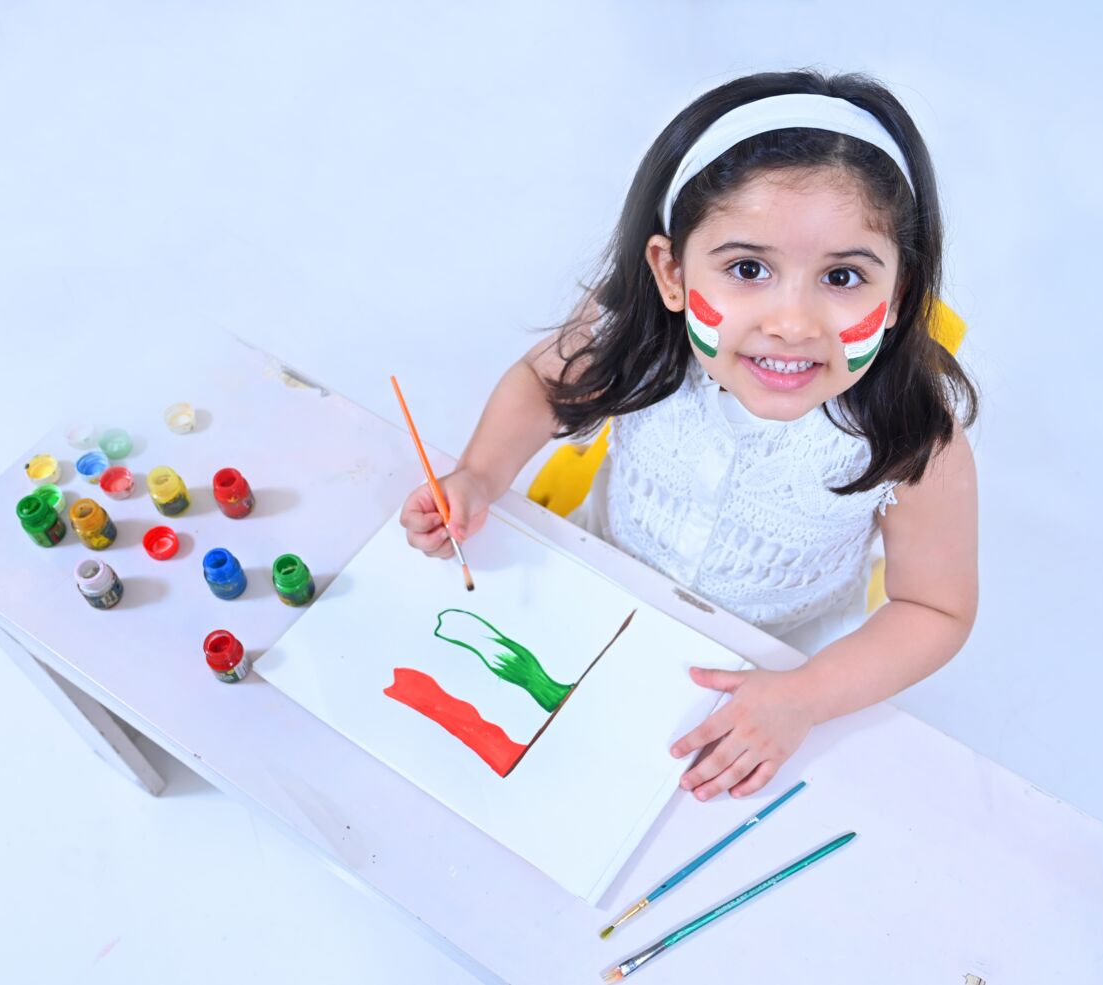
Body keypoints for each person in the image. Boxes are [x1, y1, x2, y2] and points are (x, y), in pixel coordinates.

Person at [400, 68, 979, 802]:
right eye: (747, 268)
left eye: (842, 279)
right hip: (599, 593)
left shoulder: (913, 436)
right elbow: (541, 385)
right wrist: (479, 475)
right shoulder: (639, 340)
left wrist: (804, 695)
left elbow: (936, 608)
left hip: (776, 672)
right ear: (671, 273)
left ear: (898, 294)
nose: (793, 322)